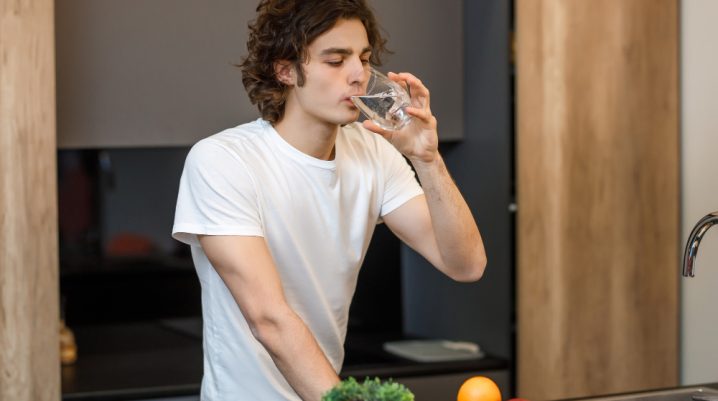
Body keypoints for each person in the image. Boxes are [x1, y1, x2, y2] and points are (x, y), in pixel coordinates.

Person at [172, 0, 487, 400]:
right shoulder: (223, 161)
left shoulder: (374, 153)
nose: (359, 75)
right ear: (286, 70)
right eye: (336, 61)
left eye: (364, 59)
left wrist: (427, 159)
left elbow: (466, 264)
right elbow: (269, 319)